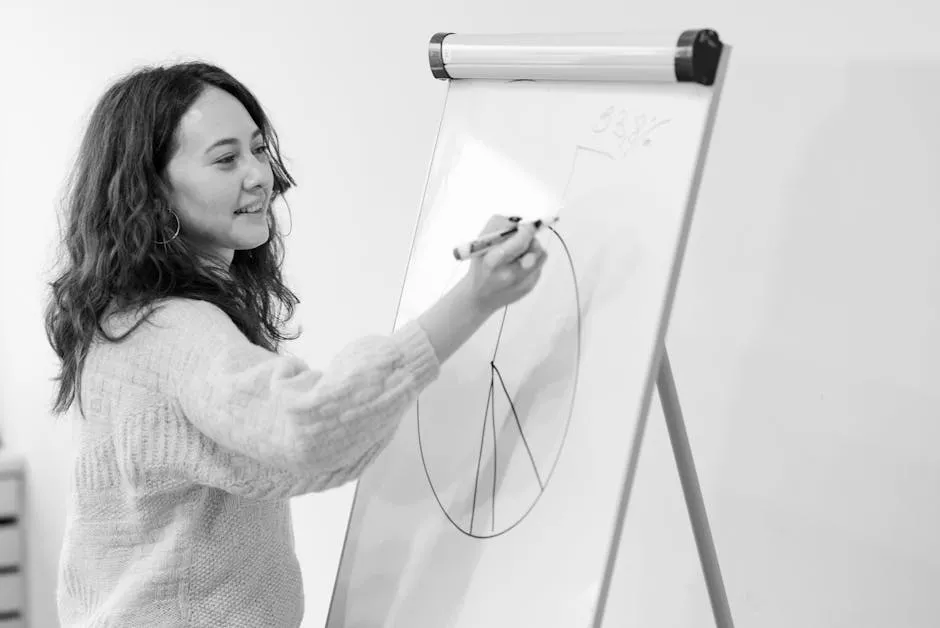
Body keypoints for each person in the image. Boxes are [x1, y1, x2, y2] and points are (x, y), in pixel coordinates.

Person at [43, 60, 547, 627]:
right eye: (226, 159)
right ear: (151, 191)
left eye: (258, 149)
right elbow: (312, 430)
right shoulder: (173, 333)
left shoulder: (125, 318)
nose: (260, 175)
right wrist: (473, 300)